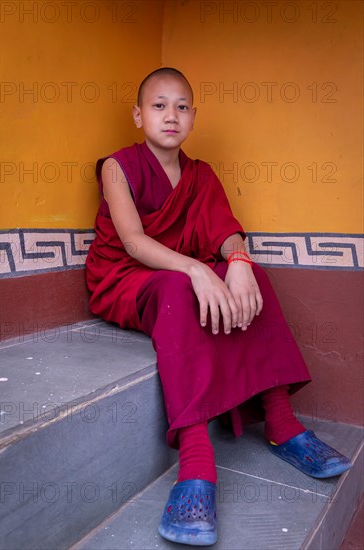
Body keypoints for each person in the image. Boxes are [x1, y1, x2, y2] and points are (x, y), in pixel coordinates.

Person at [85, 67, 351, 546]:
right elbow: (133, 241)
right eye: (159, 106)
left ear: (193, 117)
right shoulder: (118, 166)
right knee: (178, 290)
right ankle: (195, 460)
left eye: (182, 107)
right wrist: (197, 269)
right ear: (138, 115)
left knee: (255, 279)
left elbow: (222, 227)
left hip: (181, 268)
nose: (171, 116)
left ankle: (281, 422)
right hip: (126, 276)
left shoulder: (199, 173)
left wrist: (239, 261)